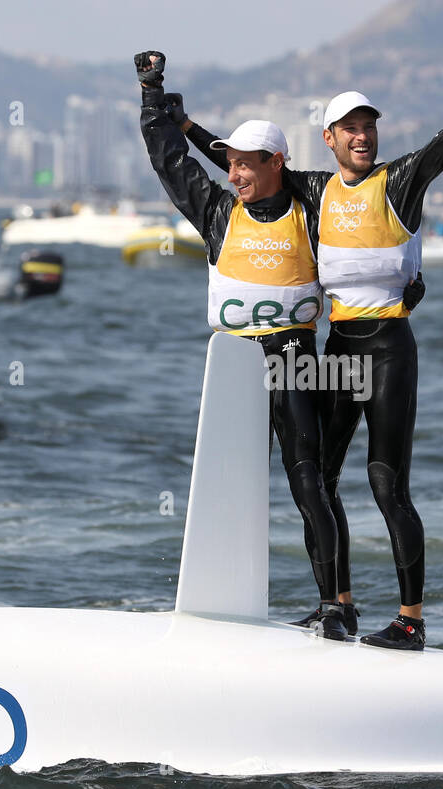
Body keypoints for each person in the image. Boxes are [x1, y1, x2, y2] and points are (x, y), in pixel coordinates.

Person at [180, 38, 443, 650]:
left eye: (369, 127)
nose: (362, 137)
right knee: (317, 478)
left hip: (389, 350)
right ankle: (337, 608)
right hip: (339, 351)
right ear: (329, 137)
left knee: (385, 485)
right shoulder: (314, 191)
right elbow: (242, 160)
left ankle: (411, 620)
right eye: (349, 129)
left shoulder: (398, 181)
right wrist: (181, 122)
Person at [135, 51, 351, 641]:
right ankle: (225, 596)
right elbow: (169, 160)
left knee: (308, 482)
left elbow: (362, 230)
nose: (233, 174)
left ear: (276, 162)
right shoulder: (217, 213)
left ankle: (334, 605)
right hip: (234, 363)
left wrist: (403, 285)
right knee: (227, 477)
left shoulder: (310, 208)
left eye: (245, 164)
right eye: (228, 162)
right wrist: (153, 95)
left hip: (294, 357)